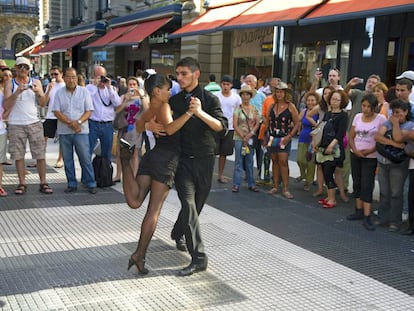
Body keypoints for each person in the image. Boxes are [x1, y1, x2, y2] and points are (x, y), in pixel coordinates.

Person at [123, 73, 187, 275]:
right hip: (166, 159)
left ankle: (124, 162)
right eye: (168, 88)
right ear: (158, 91)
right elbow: (169, 129)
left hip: (152, 157)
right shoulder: (165, 106)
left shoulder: (152, 107)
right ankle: (139, 254)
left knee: (135, 201)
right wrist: (188, 115)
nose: (170, 91)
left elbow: (139, 124)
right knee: (154, 211)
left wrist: (149, 124)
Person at [169, 57, 227, 276]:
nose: (180, 78)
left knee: (196, 206)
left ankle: (177, 232)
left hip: (205, 159)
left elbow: (220, 127)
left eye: (184, 73)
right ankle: (199, 258)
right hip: (182, 160)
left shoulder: (210, 99)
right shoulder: (174, 101)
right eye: (178, 73)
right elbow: (168, 125)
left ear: (196, 74)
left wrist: (199, 112)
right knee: (189, 204)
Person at [3, 57, 53, 195]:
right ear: (16, 69)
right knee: (18, 155)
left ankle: (43, 182)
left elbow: (43, 103)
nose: (23, 70)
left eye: (25, 67)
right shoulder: (10, 83)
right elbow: (6, 105)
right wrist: (17, 92)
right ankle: (22, 183)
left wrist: (38, 92)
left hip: (34, 122)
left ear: (29, 69)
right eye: (20, 67)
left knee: (40, 154)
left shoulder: (36, 82)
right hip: (15, 123)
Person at [53, 68, 97, 194]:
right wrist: (69, 123)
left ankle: (90, 182)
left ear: (77, 78)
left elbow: (89, 110)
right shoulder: (59, 93)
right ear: (64, 77)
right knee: (67, 159)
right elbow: (56, 111)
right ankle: (71, 183)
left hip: (81, 131)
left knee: (85, 157)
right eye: (68, 77)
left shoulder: (84, 92)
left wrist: (77, 122)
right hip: (64, 131)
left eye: (73, 77)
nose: (71, 80)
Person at [347, 94, 386, 230]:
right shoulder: (357, 117)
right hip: (356, 154)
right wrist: (355, 149)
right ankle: (358, 210)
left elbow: (381, 138)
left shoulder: (381, 119)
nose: (366, 109)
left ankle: (367, 214)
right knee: (357, 182)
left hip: (371, 156)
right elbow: (351, 136)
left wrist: (369, 151)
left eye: (369, 106)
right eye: (364, 106)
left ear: (374, 107)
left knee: (367, 184)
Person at [374, 99, 413, 232]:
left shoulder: (409, 125)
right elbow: (378, 137)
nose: (395, 115)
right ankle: (382, 217)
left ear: (406, 112)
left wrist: (395, 124)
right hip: (383, 161)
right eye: (393, 112)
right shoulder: (387, 122)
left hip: (398, 164)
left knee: (396, 193)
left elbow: (398, 137)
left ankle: (394, 221)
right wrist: (394, 144)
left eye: (398, 112)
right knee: (384, 192)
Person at [264, 81, 299, 199]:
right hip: (272, 136)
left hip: (285, 137)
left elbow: (297, 122)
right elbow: (268, 122)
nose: (279, 94)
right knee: (274, 160)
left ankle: (285, 188)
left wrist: (290, 136)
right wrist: (265, 136)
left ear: (285, 93)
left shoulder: (291, 106)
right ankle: (275, 185)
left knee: (283, 161)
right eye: (277, 92)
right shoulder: (272, 106)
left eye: (281, 92)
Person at [315, 90, 348, 208]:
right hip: (323, 147)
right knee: (324, 172)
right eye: (332, 99)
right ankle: (329, 196)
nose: (334, 101)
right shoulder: (328, 113)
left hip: (335, 149)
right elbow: (321, 129)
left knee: (329, 172)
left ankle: (332, 199)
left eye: (337, 99)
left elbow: (340, 133)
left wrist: (331, 145)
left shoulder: (343, 115)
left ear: (342, 101)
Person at [112, 76, 149, 182]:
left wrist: (141, 96)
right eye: (130, 84)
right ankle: (118, 175)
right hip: (124, 127)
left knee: (134, 154)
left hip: (136, 129)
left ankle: (134, 175)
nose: (132, 86)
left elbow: (147, 110)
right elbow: (117, 110)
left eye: (134, 84)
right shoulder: (124, 96)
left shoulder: (142, 97)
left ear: (138, 86)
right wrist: (125, 101)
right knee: (120, 153)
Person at [86, 65, 121, 162]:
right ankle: (88, 176)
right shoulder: (89, 88)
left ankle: (105, 174)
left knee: (106, 153)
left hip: (107, 125)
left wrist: (109, 87)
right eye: (98, 76)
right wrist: (96, 87)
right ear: (93, 77)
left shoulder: (111, 89)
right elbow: (87, 101)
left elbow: (117, 103)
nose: (100, 79)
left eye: (102, 76)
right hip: (93, 124)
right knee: (87, 151)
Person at [306, 86, 335, 197]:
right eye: (325, 93)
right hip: (321, 137)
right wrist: (316, 125)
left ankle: (332, 190)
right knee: (319, 165)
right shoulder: (321, 107)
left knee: (332, 167)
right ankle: (319, 188)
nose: (326, 95)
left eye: (329, 93)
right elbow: (308, 115)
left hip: (332, 138)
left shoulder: (336, 107)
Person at [232, 85, 260, 193]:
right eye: (243, 94)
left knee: (249, 161)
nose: (245, 96)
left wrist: (250, 134)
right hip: (239, 137)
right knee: (238, 161)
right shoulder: (237, 109)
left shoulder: (254, 109)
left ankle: (251, 183)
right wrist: (243, 136)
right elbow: (235, 124)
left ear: (250, 96)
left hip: (250, 137)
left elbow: (257, 123)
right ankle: (236, 184)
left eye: (247, 94)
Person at [214, 75, 241, 184]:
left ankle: (220, 175)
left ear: (231, 85)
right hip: (216, 126)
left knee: (224, 153)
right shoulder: (215, 96)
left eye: (228, 84)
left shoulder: (236, 97)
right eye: (224, 84)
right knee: (211, 151)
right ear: (221, 84)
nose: (225, 86)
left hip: (229, 128)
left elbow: (238, 112)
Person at [296, 91, 319, 191]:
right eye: (308, 100)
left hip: (313, 139)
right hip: (303, 137)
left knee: (310, 162)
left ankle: (308, 181)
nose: (310, 102)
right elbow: (298, 121)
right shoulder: (304, 111)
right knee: (300, 160)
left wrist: (310, 119)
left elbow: (318, 126)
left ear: (316, 101)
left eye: (313, 100)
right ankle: (302, 175)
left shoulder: (318, 112)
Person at [43, 66, 65, 168]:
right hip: (50, 114)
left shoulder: (64, 86)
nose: (53, 76)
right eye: (51, 74)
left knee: (62, 138)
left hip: (61, 115)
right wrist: (49, 89)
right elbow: (45, 101)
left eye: (56, 74)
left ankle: (60, 158)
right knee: (43, 137)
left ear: (61, 74)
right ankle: (41, 158)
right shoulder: (50, 85)